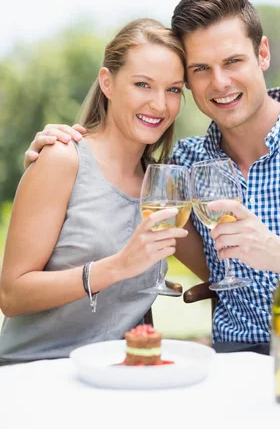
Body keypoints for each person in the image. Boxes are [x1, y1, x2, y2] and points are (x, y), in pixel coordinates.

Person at [23, 0, 280, 385]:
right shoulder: (180, 167)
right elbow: (112, 170)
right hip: (231, 367)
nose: (219, 82)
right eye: (200, 69)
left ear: (263, 54)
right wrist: (58, 149)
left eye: (233, 61)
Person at [0, 18, 208, 365]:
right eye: (143, 84)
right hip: (35, 374)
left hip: (114, 378)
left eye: (173, 89)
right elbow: (11, 294)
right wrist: (117, 267)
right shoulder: (62, 158)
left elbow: (217, 272)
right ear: (107, 83)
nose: (160, 104)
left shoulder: (162, 188)